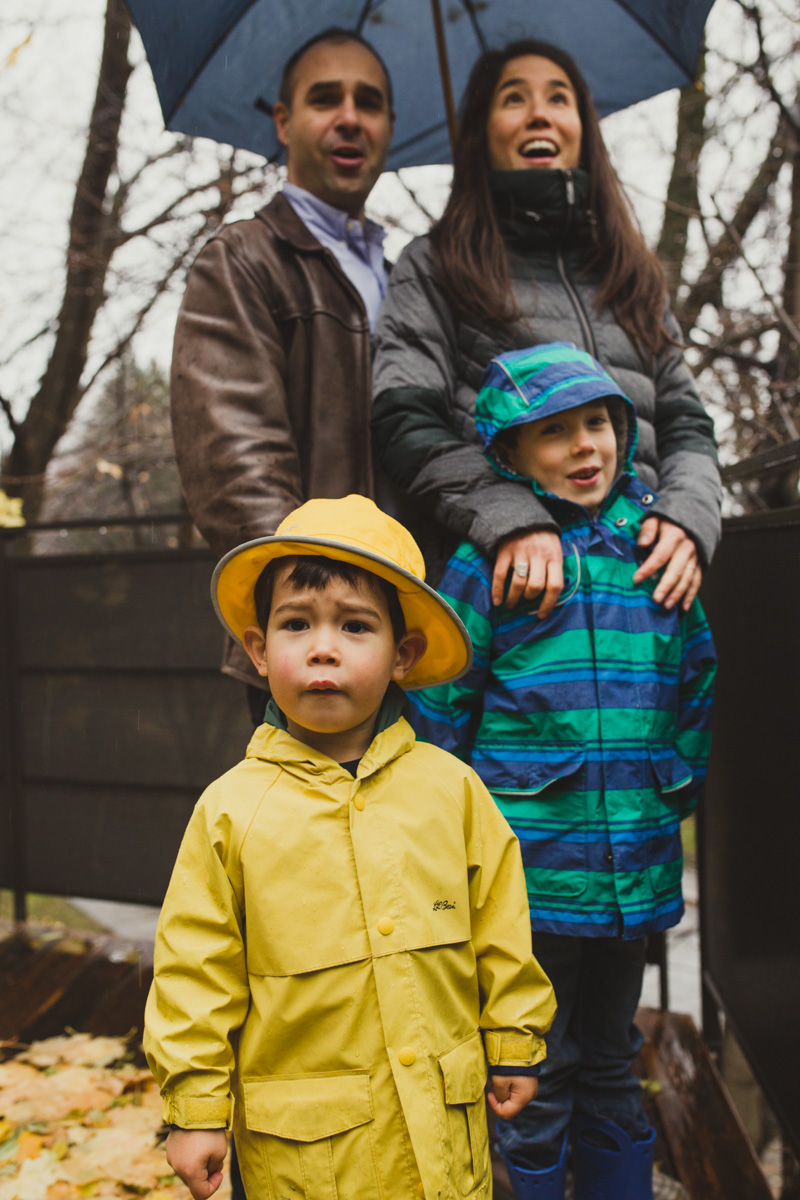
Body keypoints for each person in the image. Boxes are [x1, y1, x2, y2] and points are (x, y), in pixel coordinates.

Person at [143, 494, 558, 1200]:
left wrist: (513, 1035)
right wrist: (196, 1112)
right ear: (257, 649)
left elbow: (500, 924)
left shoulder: (451, 790)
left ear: (404, 655)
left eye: (355, 626)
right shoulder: (231, 811)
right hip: (309, 1164)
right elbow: (194, 973)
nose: (323, 646)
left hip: (442, 1146)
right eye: (296, 623)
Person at [409, 344, 717, 1200]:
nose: (585, 446)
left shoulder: (653, 550)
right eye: (554, 433)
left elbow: (697, 678)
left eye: (598, 424)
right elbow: (443, 695)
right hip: (529, 875)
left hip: (633, 864)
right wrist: (451, 822)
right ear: (509, 456)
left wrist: (672, 787)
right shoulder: (493, 564)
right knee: (532, 1065)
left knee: (614, 1059)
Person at [372, 39, 721, 616]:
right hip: (511, 604)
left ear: (582, 126)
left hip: (645, 599)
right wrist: (512, 517)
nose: (540, 113)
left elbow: (686, 421)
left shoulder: (632, 271)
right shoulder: (436, 264)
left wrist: (688, 513)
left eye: (559, 98)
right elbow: (402, 418)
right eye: (514, 98)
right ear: (482, 131)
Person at [170, 28, 395, 720]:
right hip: (315, 652)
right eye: (325, 99)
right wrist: (326, 615)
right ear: (283, 121)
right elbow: (237, 469)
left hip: (416, 639)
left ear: (390, 125)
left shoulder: (408, 275)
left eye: (371, 101)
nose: (350, 116)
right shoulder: (242, 262)